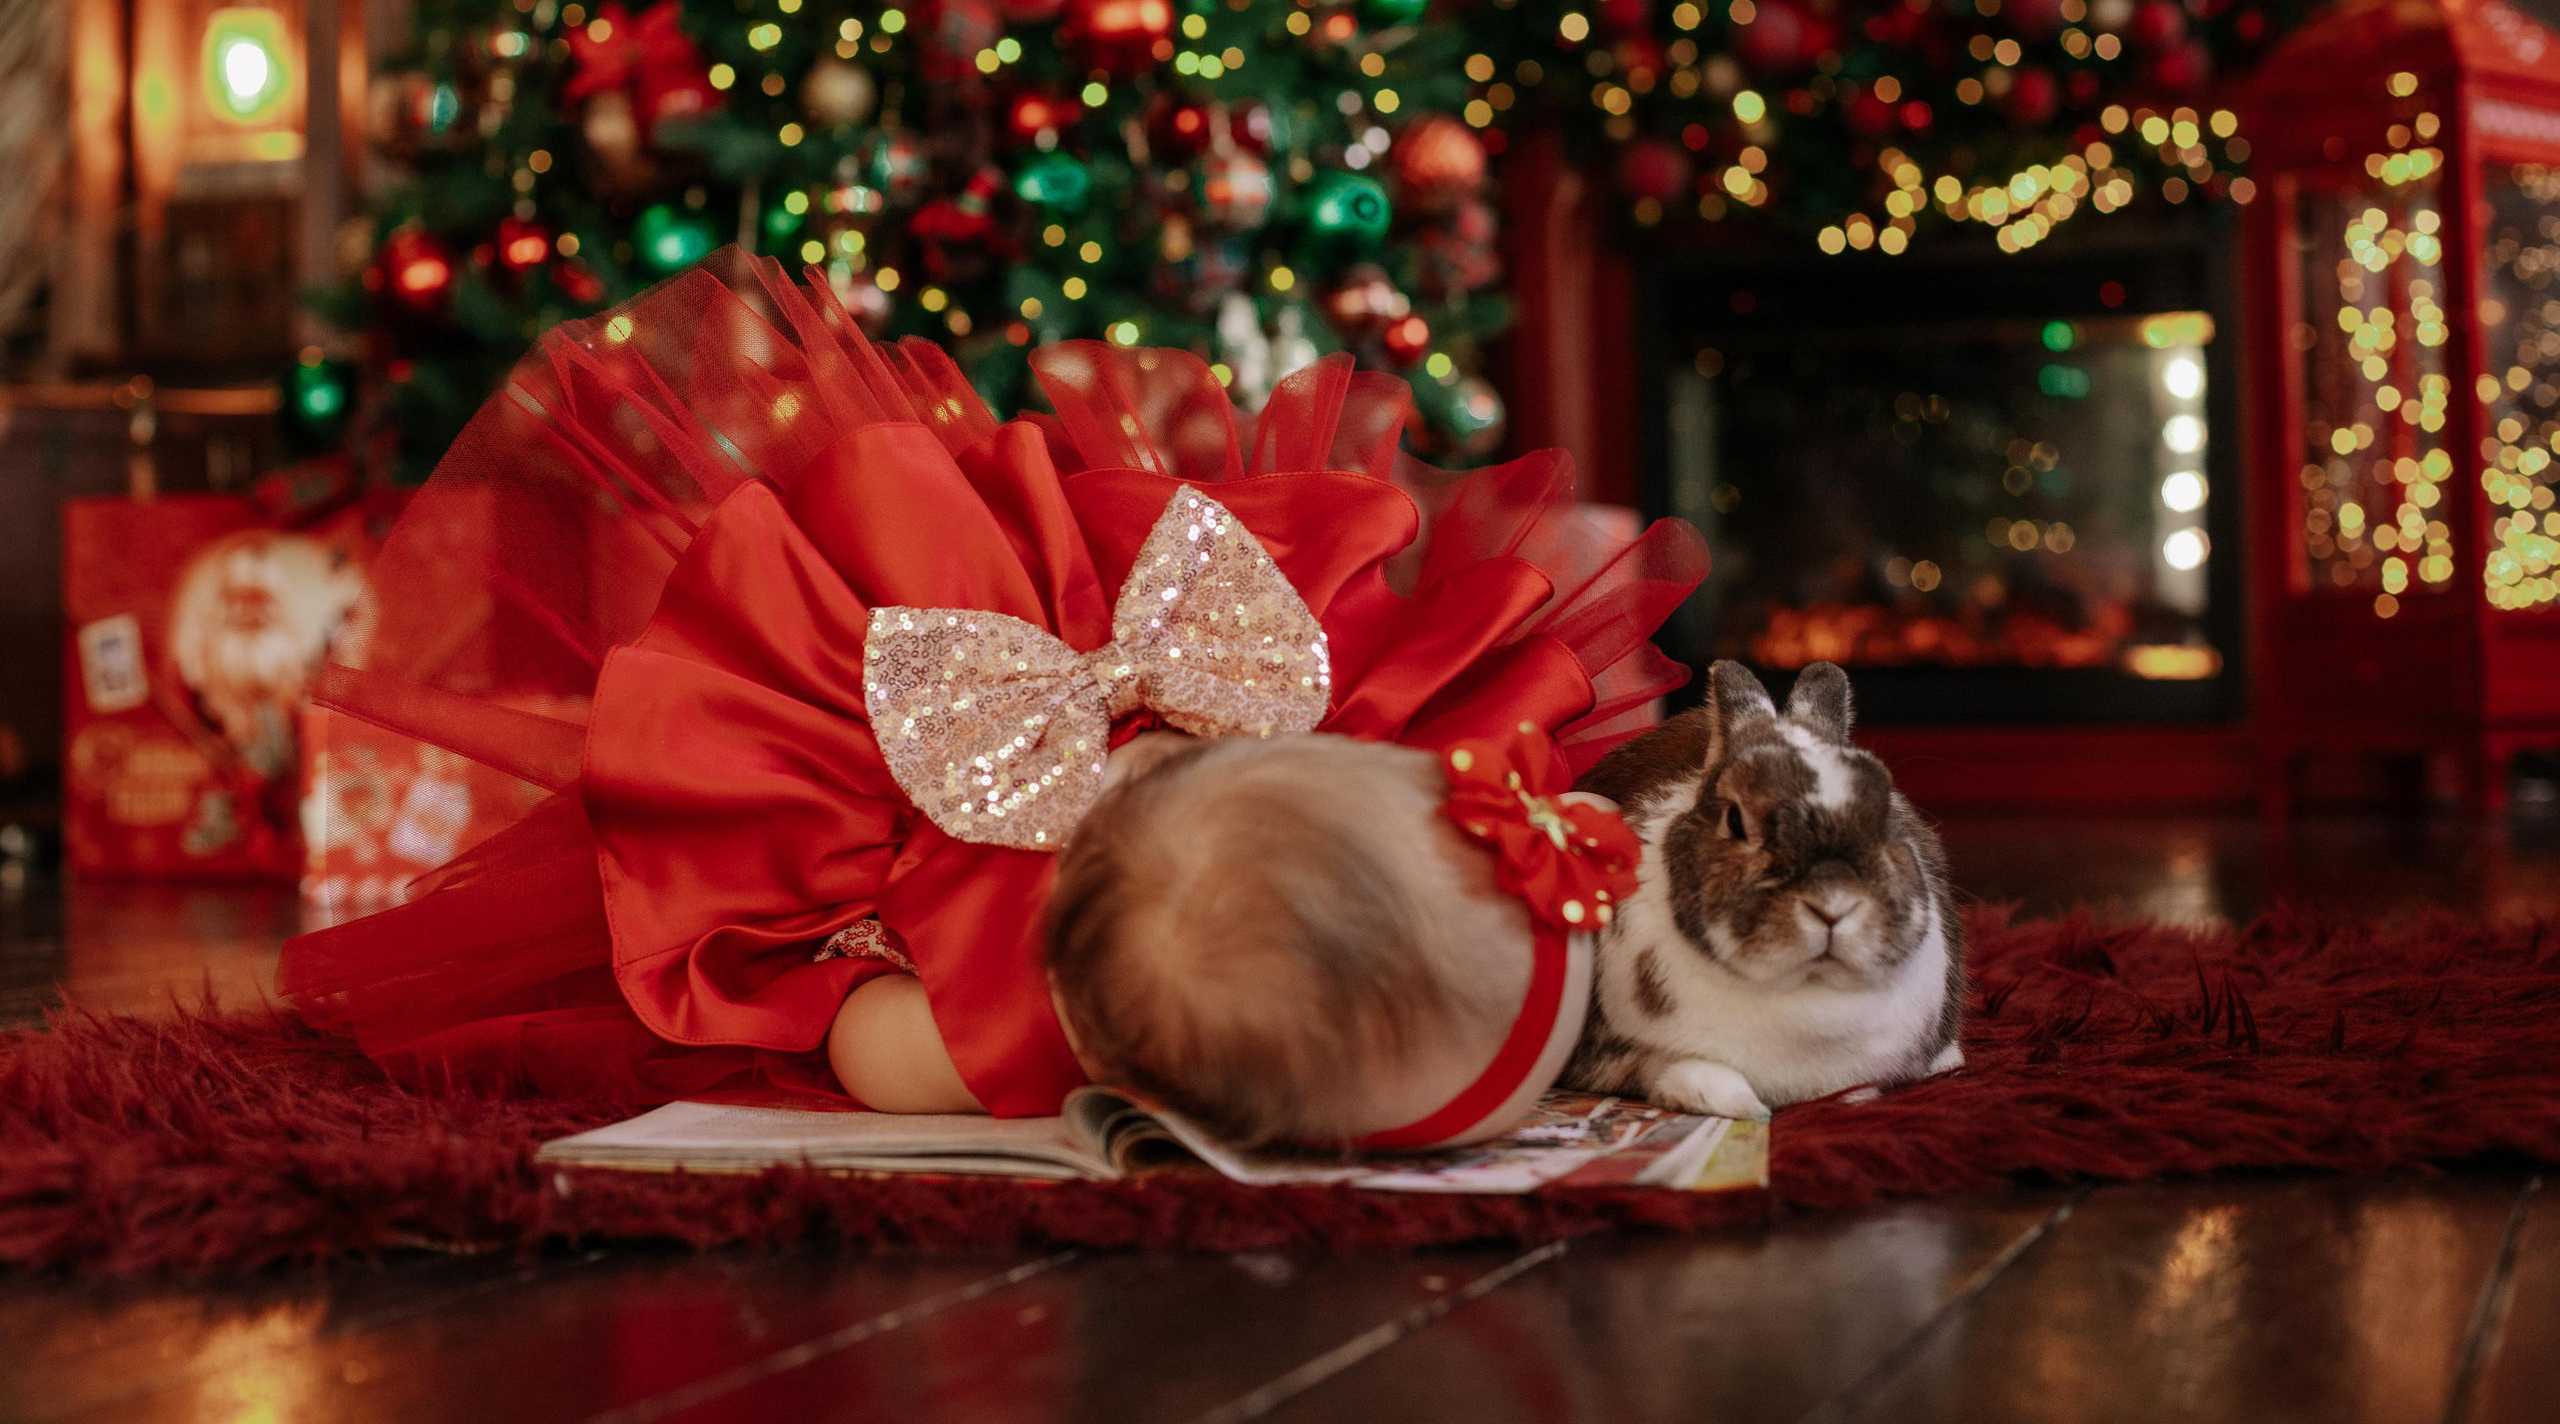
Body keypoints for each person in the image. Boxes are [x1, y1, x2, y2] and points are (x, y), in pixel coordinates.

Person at [279, 250, 1704, 1146]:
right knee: (810, 960)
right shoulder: (1004, 1030)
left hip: (1075, 679)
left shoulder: (1318, 789)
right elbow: (864, 1041)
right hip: (921, 705)